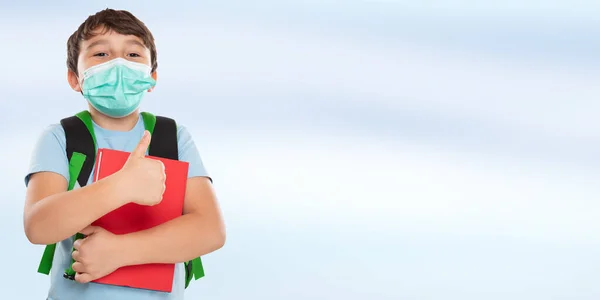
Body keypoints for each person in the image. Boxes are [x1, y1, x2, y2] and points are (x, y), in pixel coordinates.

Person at [23, 8, 226, 300]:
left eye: (132, 55)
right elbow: (38, 227)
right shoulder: (60, 138)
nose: (118, 64)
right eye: (101, 55)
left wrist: (120, 251)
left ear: (152, 76)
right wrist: (121, 186)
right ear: (74, 78)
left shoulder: (173, 137)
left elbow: (210, 230)